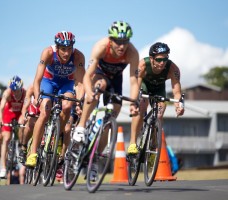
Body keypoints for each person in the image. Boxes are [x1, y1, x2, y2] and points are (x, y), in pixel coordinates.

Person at [72, 21, 139, 181]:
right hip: (99, 75)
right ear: (111, 39)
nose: (122, 46)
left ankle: (93, 160)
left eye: (125, 41)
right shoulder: (101, 47)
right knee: (99, 86)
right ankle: (81, 127)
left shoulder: (132, 53)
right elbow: (87, 76)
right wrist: (89, 93)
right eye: (118, 41)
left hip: (116, 79)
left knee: (111, 120)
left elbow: (134, 81)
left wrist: (134, 103)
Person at [26, 31, 85, 171]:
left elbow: (81, 83)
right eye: (63, 49)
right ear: (57, 48)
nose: (66, 53)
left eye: (69, 49)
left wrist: (79, 102)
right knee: (45, 112)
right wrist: (37, 96)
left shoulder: (78, 56)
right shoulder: (47, 53)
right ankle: (33, 153)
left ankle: (58, 136)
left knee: (67, 105)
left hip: (66, 83)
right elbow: (37, 79)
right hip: (49, 82)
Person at [127, 42, 185, 154]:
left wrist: (179, 105)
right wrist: (134, 102)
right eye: (159, 60)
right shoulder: (142, 65)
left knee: (159, 115)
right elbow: (136, 85)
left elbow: (177, 91)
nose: (162, 63)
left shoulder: (173, 69)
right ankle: (133, 143)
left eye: (165, 59)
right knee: (142, 106)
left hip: (159, 88)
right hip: (144, 86)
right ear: (151, 58)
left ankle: (153, 145)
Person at [0, 75, 26, 179]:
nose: (15, 92)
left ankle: (22, 145)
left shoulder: (25, 93)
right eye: (13, 90)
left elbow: (25, 109)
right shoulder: (7, 93)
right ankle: (3, 168)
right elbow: (0, 109)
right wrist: (0, 120)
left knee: (23, 122)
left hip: (19, 113)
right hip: (8, 114)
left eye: (17, 90)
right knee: (6, 138)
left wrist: (24, 117)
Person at [17, 84, 39, 164]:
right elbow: (25, 105)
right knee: (30, 123)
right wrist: (24, 115)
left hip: (47, 106)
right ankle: (24, 146)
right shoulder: (32, 87)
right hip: (35, 107)